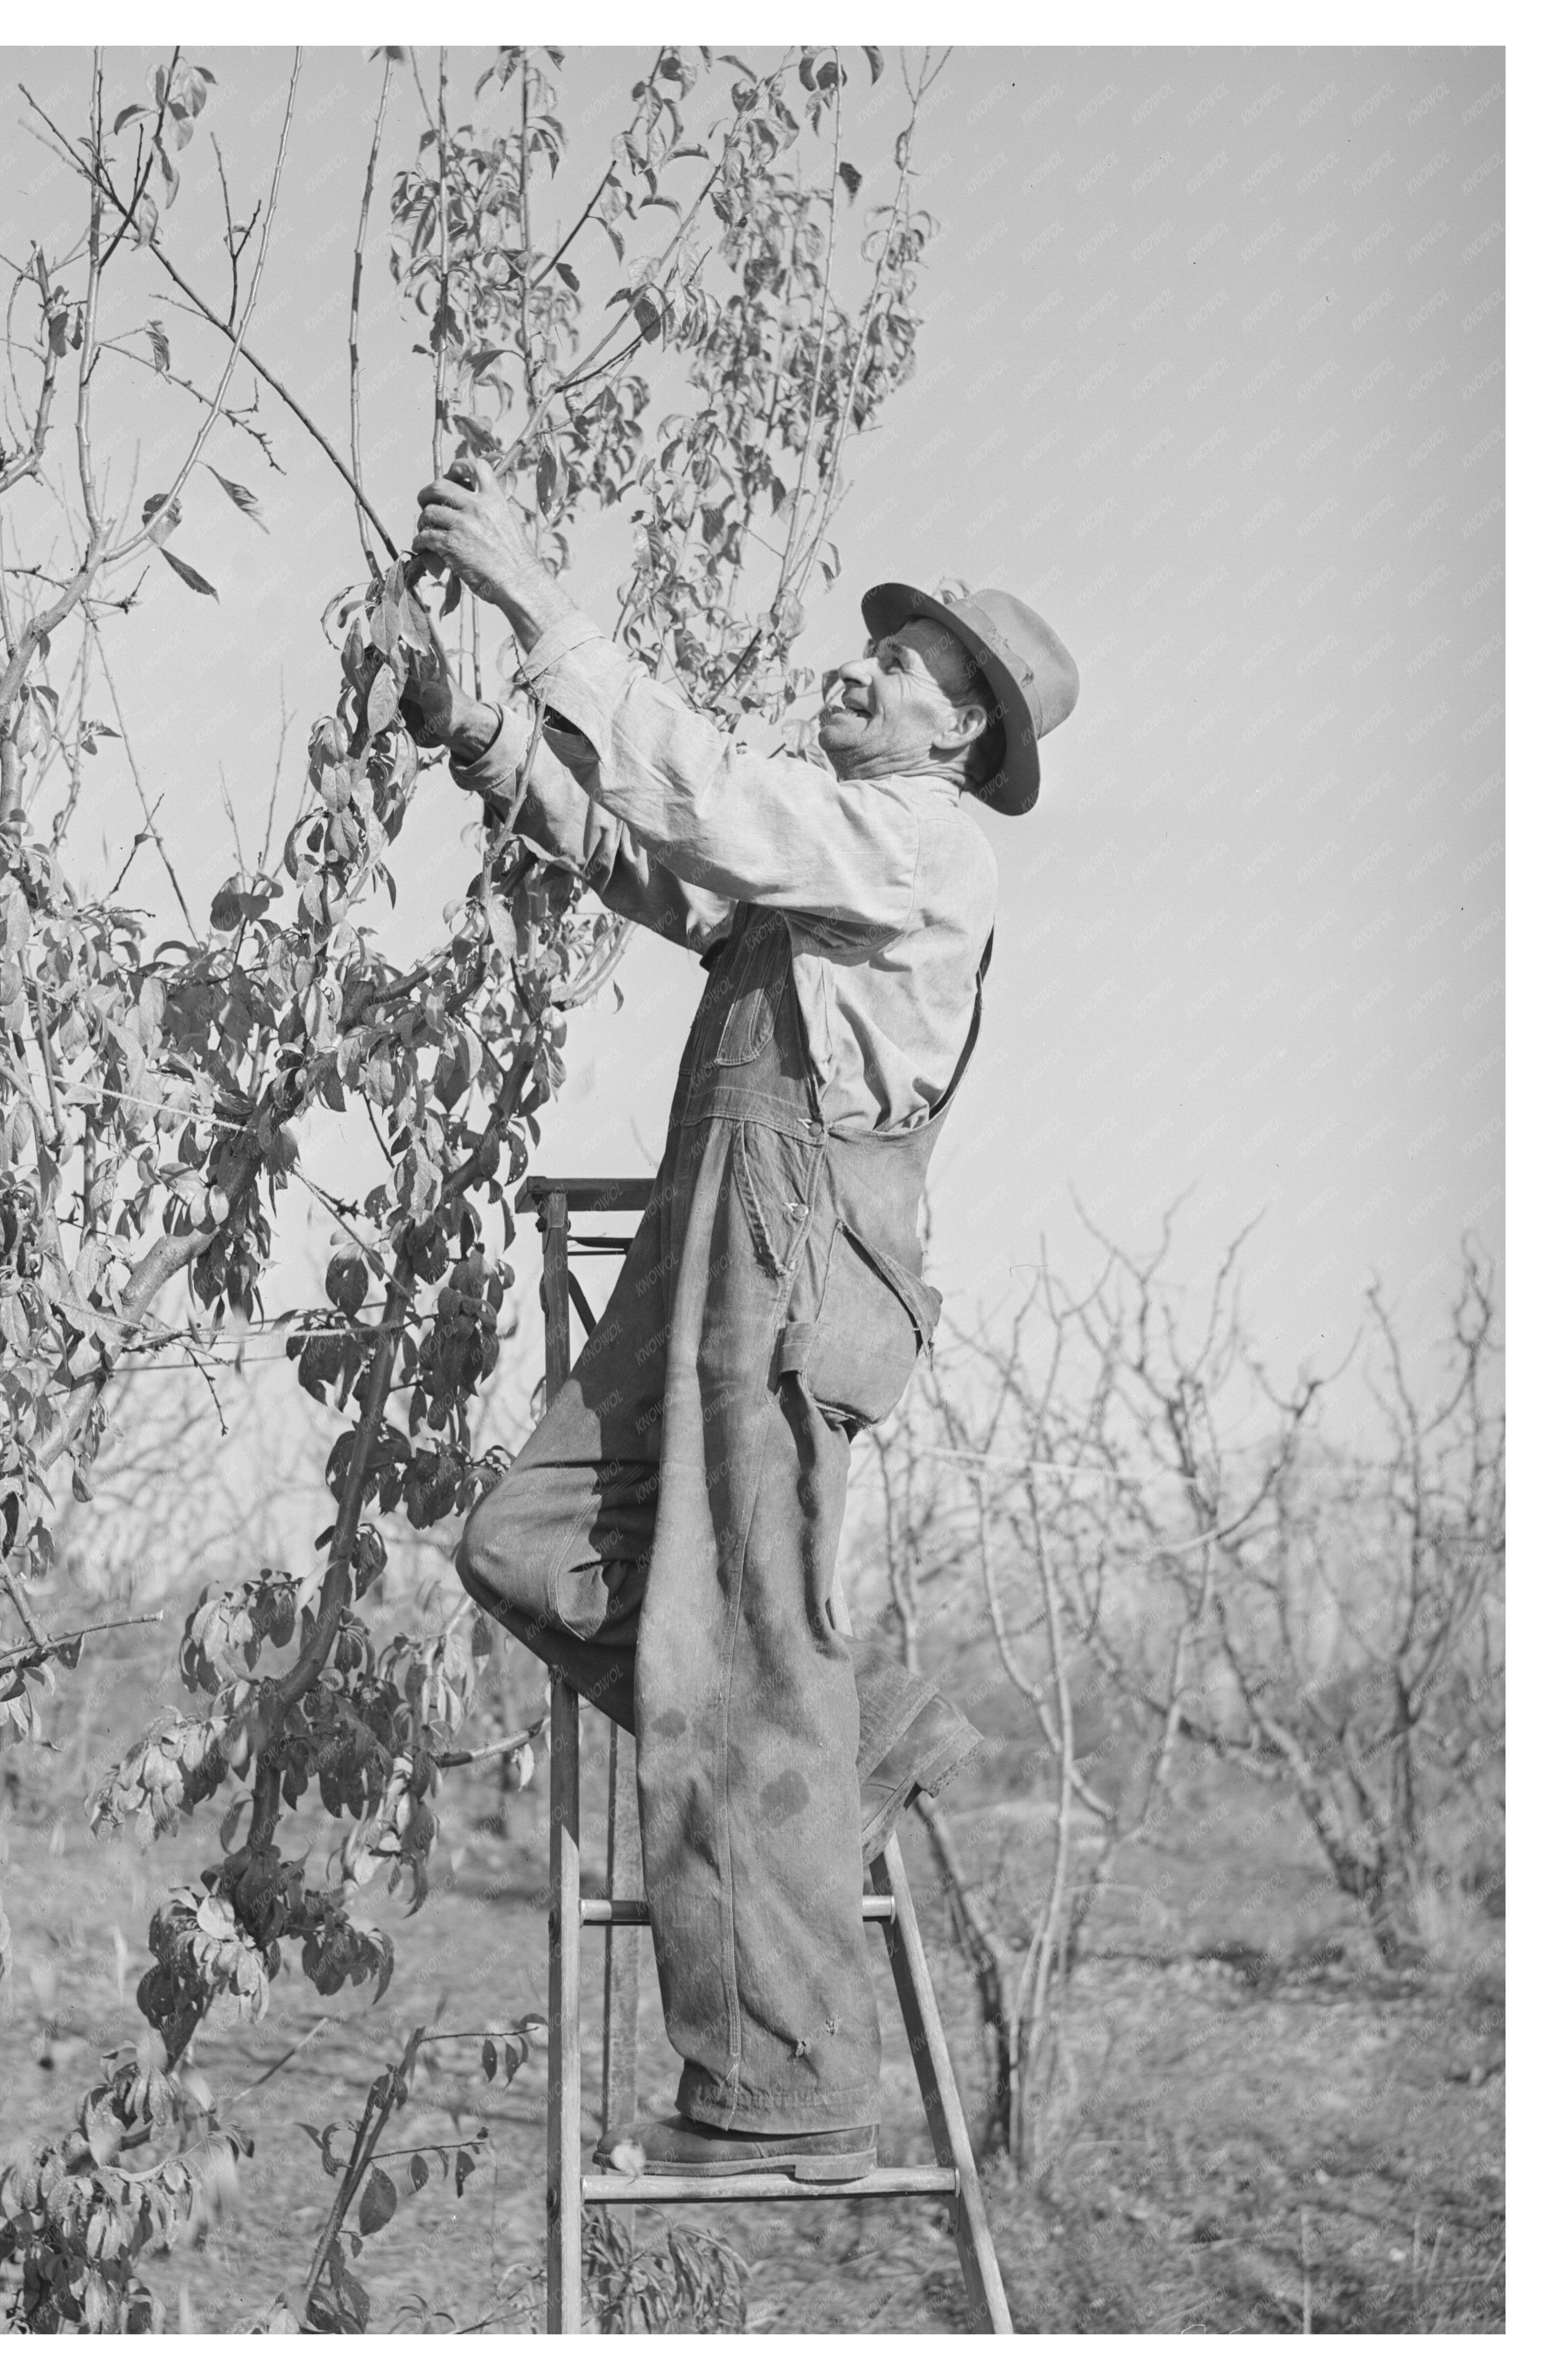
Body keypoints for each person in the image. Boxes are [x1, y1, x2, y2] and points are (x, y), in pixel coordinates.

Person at [408, 459, 1079, 2183]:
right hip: (717, 1242)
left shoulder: (917, 847)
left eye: (901, 667)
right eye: (873, 652)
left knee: (741, 1665)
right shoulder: (834, 868)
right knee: (525, 1539)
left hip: (786, 1269)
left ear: (955, 738)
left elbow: (710, 804)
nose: (855, 671)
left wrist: (544, 615)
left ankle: (777, 2099)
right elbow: (661, 867)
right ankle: (824, 1737)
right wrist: (481, 734)